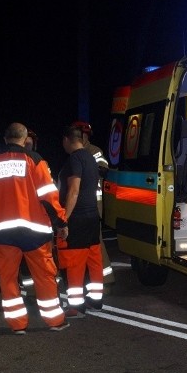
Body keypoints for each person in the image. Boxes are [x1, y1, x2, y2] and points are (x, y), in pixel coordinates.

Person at [0, 122, 69, 334]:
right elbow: (49, 196)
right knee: (44, 276)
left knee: (8, 278)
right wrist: (61, 222)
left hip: (2, 231)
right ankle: (54, 321)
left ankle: (17, 325)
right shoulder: (35, 160)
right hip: (34, 230)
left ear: (5, 138)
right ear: (25, 138)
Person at [57, 123, 105, 316]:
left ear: (67, 140)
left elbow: (74, 190)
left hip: (78, 218)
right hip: (93, 216)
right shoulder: (90, 158)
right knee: (94, 259)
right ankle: (96, 299)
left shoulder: (75, 159)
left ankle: (76, 305)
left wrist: (64, 219)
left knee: (75, 262)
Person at [71, 120, 115, 287]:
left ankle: (105, 279)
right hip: (83, 203)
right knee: (87, 241)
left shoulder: (93, 151)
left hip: (93, 203)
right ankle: (93, 277)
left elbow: (103, 168)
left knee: (95, 240)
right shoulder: (77, 153)